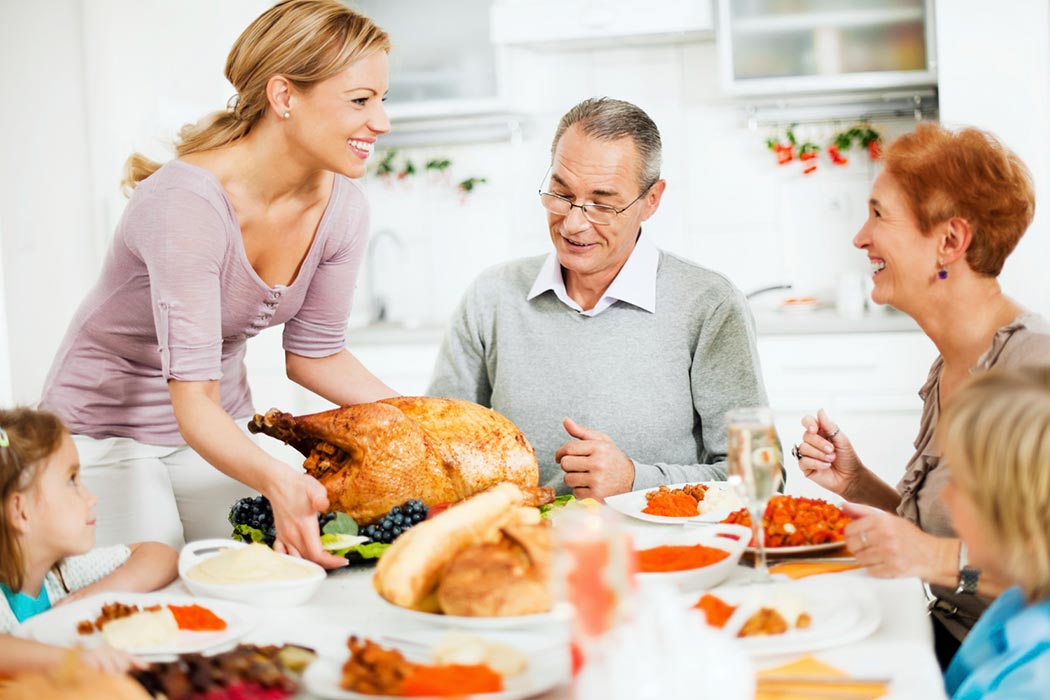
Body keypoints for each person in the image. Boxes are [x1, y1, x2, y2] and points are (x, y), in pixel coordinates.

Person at [39, 0, 397, 568]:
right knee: (154, 580)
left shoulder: (342, 209)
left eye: (382, 99)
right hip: (105, 432)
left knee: (266, 569)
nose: (381, 121)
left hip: (215, 422)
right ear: (284, 97)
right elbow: (192, 399)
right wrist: (277, 477)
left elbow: (315, 355)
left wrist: (424, 421)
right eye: (360, 100)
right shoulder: (188, 203)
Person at [791, 123, 1050, 667]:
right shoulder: (949, 365)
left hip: (1009, 669)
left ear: (950, 242)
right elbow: (951, 543)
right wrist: (857, 483)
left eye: (879, 214)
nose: (860, 238)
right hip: (948, 643)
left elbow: (1029, 566)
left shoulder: (1034, 370)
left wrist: (931, 556)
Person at [428, 97, 767, 500]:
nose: (573, 223)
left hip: (663, 554)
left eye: (602, 204)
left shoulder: (710, 305)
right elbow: (438, 454)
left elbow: (760, 481)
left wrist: (634, 481)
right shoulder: (492, 296)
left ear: (651, 201)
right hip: (523, 551)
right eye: (560, 193)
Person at [0, 407, 178, 675]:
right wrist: (74, 660)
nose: (91, 497)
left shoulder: (59, 575)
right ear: (20, 512)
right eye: (72, 480)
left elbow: (161, 555)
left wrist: (97, 594)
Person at [938, 367, 1050, 699]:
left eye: (959, 483)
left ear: (1021, 523)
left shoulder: (1032, 681)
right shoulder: (1020, 598)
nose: (945, 497)